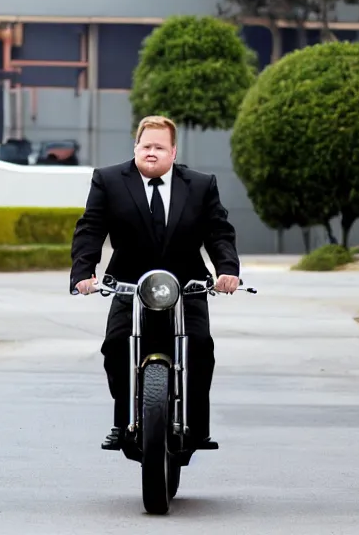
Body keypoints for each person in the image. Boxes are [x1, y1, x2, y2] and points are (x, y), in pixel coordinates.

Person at [70, 115, 240, 450]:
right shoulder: (109, 180)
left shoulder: (201, 184)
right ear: (136, 146)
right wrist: (83, 272)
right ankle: (122, 423)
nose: (151, 152)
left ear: (173, 152)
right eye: (146, 145)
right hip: (129, 285)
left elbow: (219, 232)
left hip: (187, 286)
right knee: (116, 347)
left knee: (200, 348)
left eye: (159, 147)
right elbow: (90, 228)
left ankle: (198, 428)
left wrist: (227, 270)